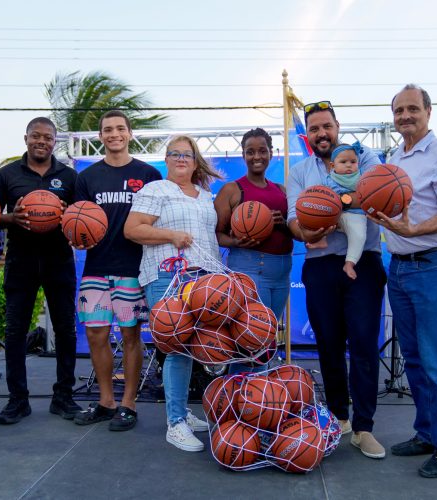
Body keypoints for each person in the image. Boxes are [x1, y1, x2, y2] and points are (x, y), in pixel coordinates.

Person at [373, 84, 437, 478]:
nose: (405, 117)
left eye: (413, 109)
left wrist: (414, 233)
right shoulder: (396, 158)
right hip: (400, 267)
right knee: (413, 359)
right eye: (399, 111)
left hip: (433, 265)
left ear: (429, 111)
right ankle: (427, 433)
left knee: (435, 361)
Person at [285, 100, 386, 460]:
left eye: (326, 126)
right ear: (307, 134)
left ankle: (364, 428)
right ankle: (340, 417)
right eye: (314, 129)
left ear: (337, 126)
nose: (321, 133)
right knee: (328, 345)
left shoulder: (366, 158)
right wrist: (310, 228)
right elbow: (295, 222)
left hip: (364, 263)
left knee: (362, 343)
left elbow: (377, 196)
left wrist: (333, 202)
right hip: (320, 263)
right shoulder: (299, 171)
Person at [124, 134, 222, 452]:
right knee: (176, 346)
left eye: (187, 154)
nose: (181, 158)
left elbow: (210, 240)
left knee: (193, 348)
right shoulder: (156, 190)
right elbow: (133, 228)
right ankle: (175, 424)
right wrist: (171, 235)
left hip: (204, 278)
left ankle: (182, 412)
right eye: (174, 153)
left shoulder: (206, 196)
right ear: (166, 160)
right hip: (167, 275)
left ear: (195, 162)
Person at [72, 110, 162, 431]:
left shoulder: (149, 174)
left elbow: (156, 221)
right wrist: (77, 234)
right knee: (96, 334)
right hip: (96, 268)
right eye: (107, 130)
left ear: (129, 133)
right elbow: (78, 220)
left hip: (132, 269)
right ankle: (106, 401)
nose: (114, 134)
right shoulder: (87, 177)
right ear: (100, 136)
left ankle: (129, 403)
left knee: (130, 335)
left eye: (119, 129)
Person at [0, 117, 80, 425]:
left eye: (47, 137)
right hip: (21, 259)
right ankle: (18, 400)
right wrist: (11, 218)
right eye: (35, 136)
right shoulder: (7, 175)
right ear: (26, 138)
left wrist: (71, 216)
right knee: (15, 332)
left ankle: (63, 397)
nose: (41, 141)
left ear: (55, 141)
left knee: (66, 330)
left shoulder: (68, 176)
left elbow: (84, 218)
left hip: (59, 259)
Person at [214, 127, 293, 373]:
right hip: (250, 266)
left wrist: (283, 223)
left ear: (272, 153)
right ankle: (241, 400)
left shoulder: (281, 190)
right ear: (243, 155)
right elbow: (217, 234)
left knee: (267, 338)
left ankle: (260, 399)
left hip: (281, 270)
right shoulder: (233, 190)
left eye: (262, 150)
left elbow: (296, 228)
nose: (256, 156)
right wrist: (237, 242)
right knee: (250, 336)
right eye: (250, 152)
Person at [326, 142, 368, 279]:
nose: (349, 165)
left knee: (359, 236)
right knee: (316, 212)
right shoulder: (329, 178)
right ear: (332, 166)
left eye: (353, 161)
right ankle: (319, 240)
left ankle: (349, 263)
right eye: (343, 162)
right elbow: (328, 196)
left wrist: (340, 200)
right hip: (336, 216)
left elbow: (366, 195)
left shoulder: (363, 177)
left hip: (356, 216)